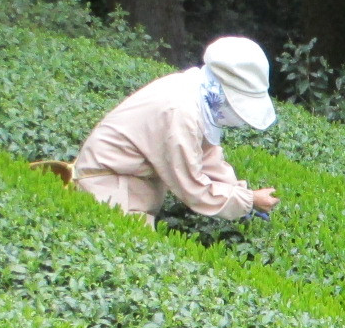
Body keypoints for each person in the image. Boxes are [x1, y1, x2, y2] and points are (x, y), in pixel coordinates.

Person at [72, 37, 279, 225]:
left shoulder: (195, 90)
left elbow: (206, 154)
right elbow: (193, 187)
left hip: (130, 185)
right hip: (109, 188)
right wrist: (249, 200)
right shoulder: (181, 111)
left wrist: (241, 193)